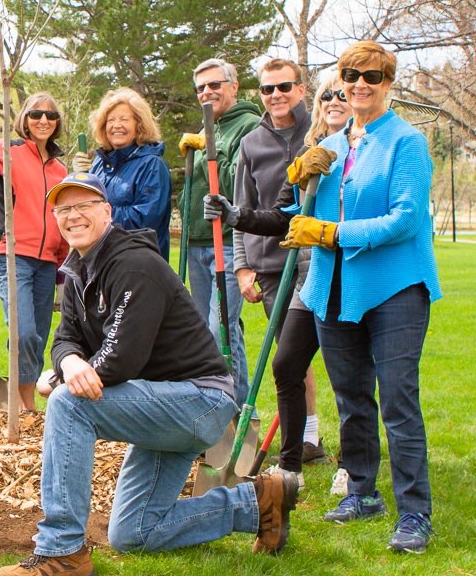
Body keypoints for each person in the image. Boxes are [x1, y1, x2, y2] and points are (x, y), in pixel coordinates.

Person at [0, 172, 298, 576]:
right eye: (64, 209)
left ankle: (61, 550)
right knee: (134, 532)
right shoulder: (80, 271)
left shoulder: (135, 264)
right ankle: (256, 502)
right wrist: (69, 363)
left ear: (107, 212)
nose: (73, 215)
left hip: (199, 400)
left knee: (69, 404)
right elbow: (64, 339)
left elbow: (123, 358)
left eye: (83, 206)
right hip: (162, 401)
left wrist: (66, 381)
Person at [283, 41, 441, 554]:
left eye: (372, 76)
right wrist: (299, 181)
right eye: (351, 75)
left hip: (395, 287)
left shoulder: (406, 142)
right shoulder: (332, 145)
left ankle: (414, 512)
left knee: (397, 399)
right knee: (351, 397)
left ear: (388, 83)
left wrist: (333, 234)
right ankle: (362, 492)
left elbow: (405, 219)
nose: (360, 84)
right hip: (332, 288)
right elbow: (304, 214)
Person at [206, 71, 350, 487]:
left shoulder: (351, 142)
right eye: (267, 88)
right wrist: (237, 225)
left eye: (284, 86)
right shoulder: (274, 144)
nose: (275, 94)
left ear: (301, 91)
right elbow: (277, 212)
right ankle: (293, 461)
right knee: (288, 362)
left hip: (343, 267)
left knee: (346, 367)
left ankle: (348, 463)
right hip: (287, 268)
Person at [0, 92, 68, 412]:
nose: (43, 120)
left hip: (47, 262)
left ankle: (26, 404)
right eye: (36, 114)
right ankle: (18, 401)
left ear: (57, 122)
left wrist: (62, 266)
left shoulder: (61, 170)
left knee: (38, 336)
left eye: (50, 115)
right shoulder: (7, 152)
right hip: (13, 255)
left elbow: (62, 218)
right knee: (24, 333)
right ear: (24, 119)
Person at [179, 58, 261, 408]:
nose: (207, 92)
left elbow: (236, 184)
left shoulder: (249, 126)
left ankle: (233, 409)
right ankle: (221, 403)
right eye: (200, 88)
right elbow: (193, 193)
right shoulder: (207, 126)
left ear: (234, 86)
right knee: (205, 331)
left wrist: (210, 150)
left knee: (220, 329)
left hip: (228, 242)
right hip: (198, 242)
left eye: (215, 85)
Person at [72, 87, 172, 254]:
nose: (116, 125)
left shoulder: (153, 165)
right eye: (110, 120)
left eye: (124, 119)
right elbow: (80, 205)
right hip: (100, 257)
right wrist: (78, 177)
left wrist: (98, 213)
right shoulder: (99, 164)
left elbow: (145, 220)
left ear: (139, 125)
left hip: (137, 259)